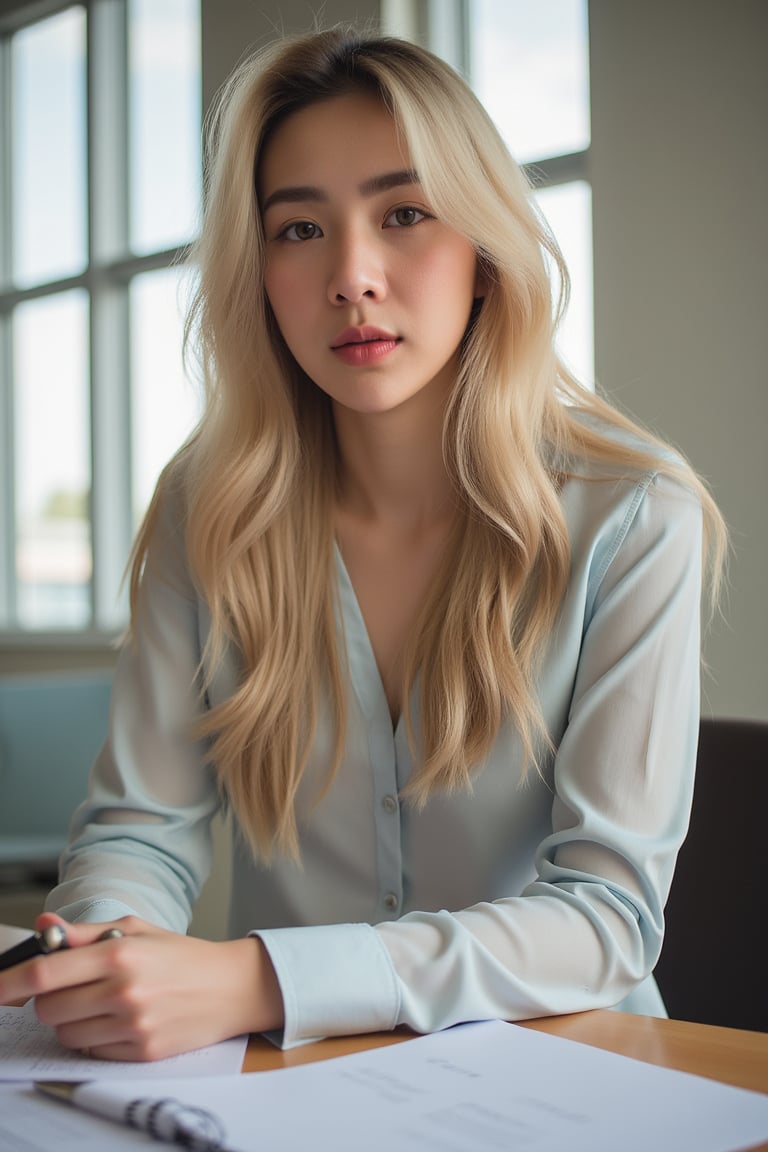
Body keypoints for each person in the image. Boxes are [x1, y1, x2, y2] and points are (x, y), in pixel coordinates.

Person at [0, 26, 726, 1061]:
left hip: (576, 1082)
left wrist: (258, 977)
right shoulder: (205, 507)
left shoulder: (635, 514)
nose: (351, 275)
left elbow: (606, 920)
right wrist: (107, 948)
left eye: (406, 214)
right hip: (289, 1092)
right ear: (258, 271)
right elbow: (140, 830)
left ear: (484, 251)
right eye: (298, 230)